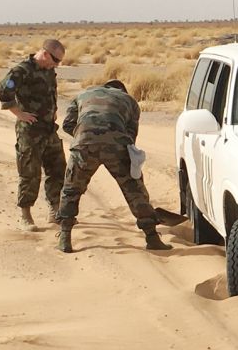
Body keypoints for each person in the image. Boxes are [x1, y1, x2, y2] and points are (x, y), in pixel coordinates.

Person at [55, 79, 172, 253]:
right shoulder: (129, 101)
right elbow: (131, 134)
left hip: (84, 145)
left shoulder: (83, 95)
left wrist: (87, 136)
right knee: (134, 189)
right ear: (122, 90)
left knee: (71, 189)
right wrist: (112, 141)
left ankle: (65, 237)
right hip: (117, 146)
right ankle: (152, 237)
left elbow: (67, 124)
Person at [0, 38, 67, 231]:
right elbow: (4, 92)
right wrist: (18, 113)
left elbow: (51, 91)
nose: (57, 64)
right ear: (45, 54)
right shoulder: (21, 70)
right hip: (30, 131)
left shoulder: (48, 70)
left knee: (57, 168)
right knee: (30, 172)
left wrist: (53, 109)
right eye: (55, 59)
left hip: (49, 128)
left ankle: (55, 210)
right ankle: (26, 215)